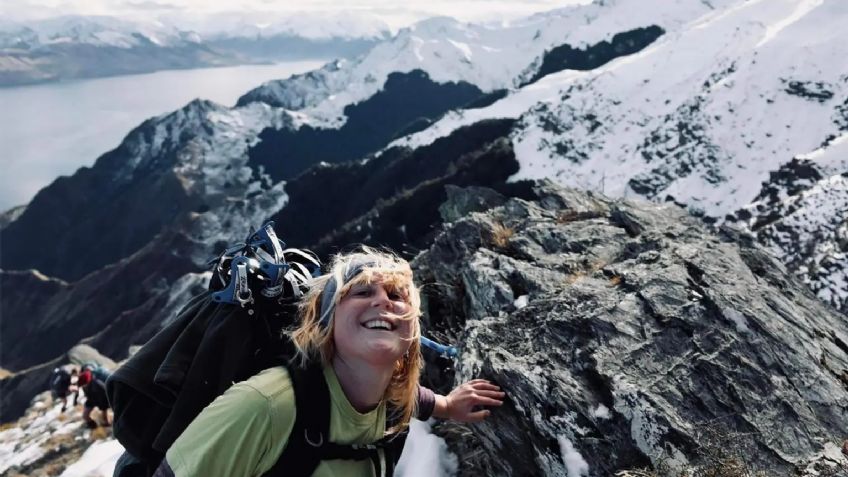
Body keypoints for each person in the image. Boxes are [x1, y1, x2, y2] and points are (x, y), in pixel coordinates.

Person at [154, 247, 504, 477]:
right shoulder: (264, 407)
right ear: (325, 324)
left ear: (413, 328)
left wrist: (447, 405)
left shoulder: (388, 398)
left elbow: (408, 399)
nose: (383, 302)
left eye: (397, 295)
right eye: (362, 292)